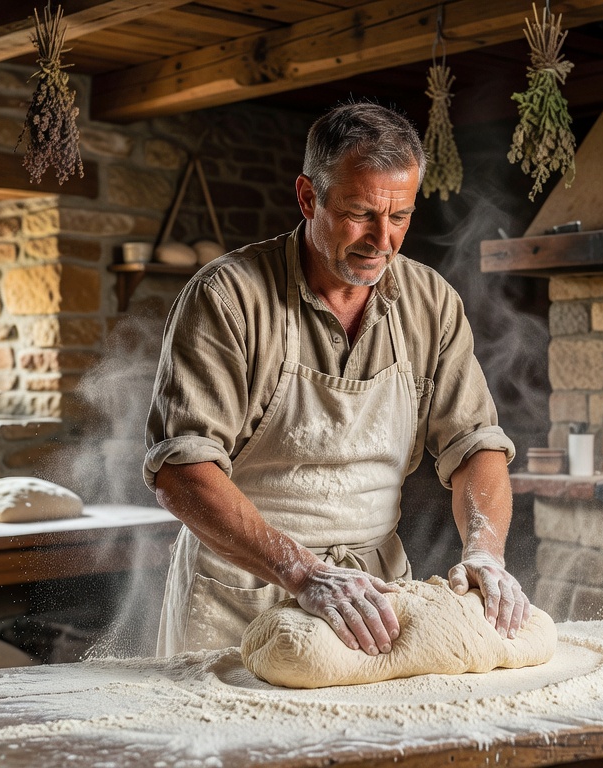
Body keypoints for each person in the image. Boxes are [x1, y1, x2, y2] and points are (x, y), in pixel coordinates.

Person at [144, 102, 529, 657]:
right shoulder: (229, 298)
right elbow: (181, 470)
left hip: (373, 598)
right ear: (308, 197)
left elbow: (474, 445)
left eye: (400, 217)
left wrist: (485, 553)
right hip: (243, 593)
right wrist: (304, 573)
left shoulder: (430, 302)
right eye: (360, 213)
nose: (382, 239)